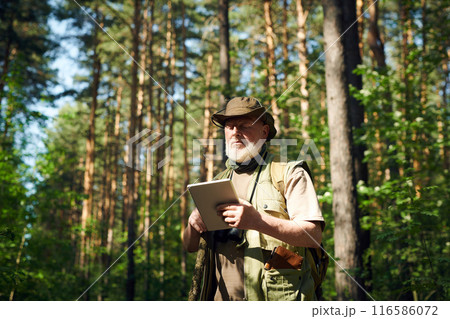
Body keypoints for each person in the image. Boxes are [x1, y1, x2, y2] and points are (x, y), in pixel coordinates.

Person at [183, 97, 324, 301]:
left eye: (244, 125)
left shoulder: (289, 174)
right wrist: (192, 224)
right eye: (229, 126)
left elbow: (313, 236)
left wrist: (257, 221)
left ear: (264, 132)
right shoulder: (217, 182)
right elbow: (190, 246)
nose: (235, 132)